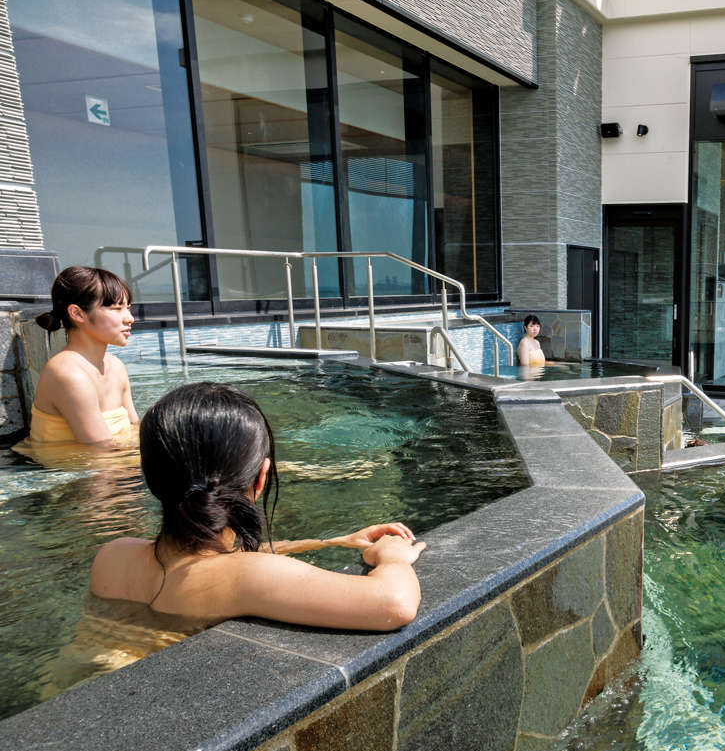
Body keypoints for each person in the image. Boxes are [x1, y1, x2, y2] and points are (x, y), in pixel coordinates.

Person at [90, 382, 425, 632]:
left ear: (151, 476)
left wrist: (330, 542)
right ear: (261, 477)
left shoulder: (113, 556)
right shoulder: (249, 577)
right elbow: (395, 604)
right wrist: (393, 557)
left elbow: (216, 557)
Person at [24, 266, 138, 447]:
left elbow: (135, 428)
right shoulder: (68, 373)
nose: (130, 318)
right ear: (77, 314)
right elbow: (100, 451)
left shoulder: (115, 366)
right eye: (117, 309)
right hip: (70, 465)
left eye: (128, 308)